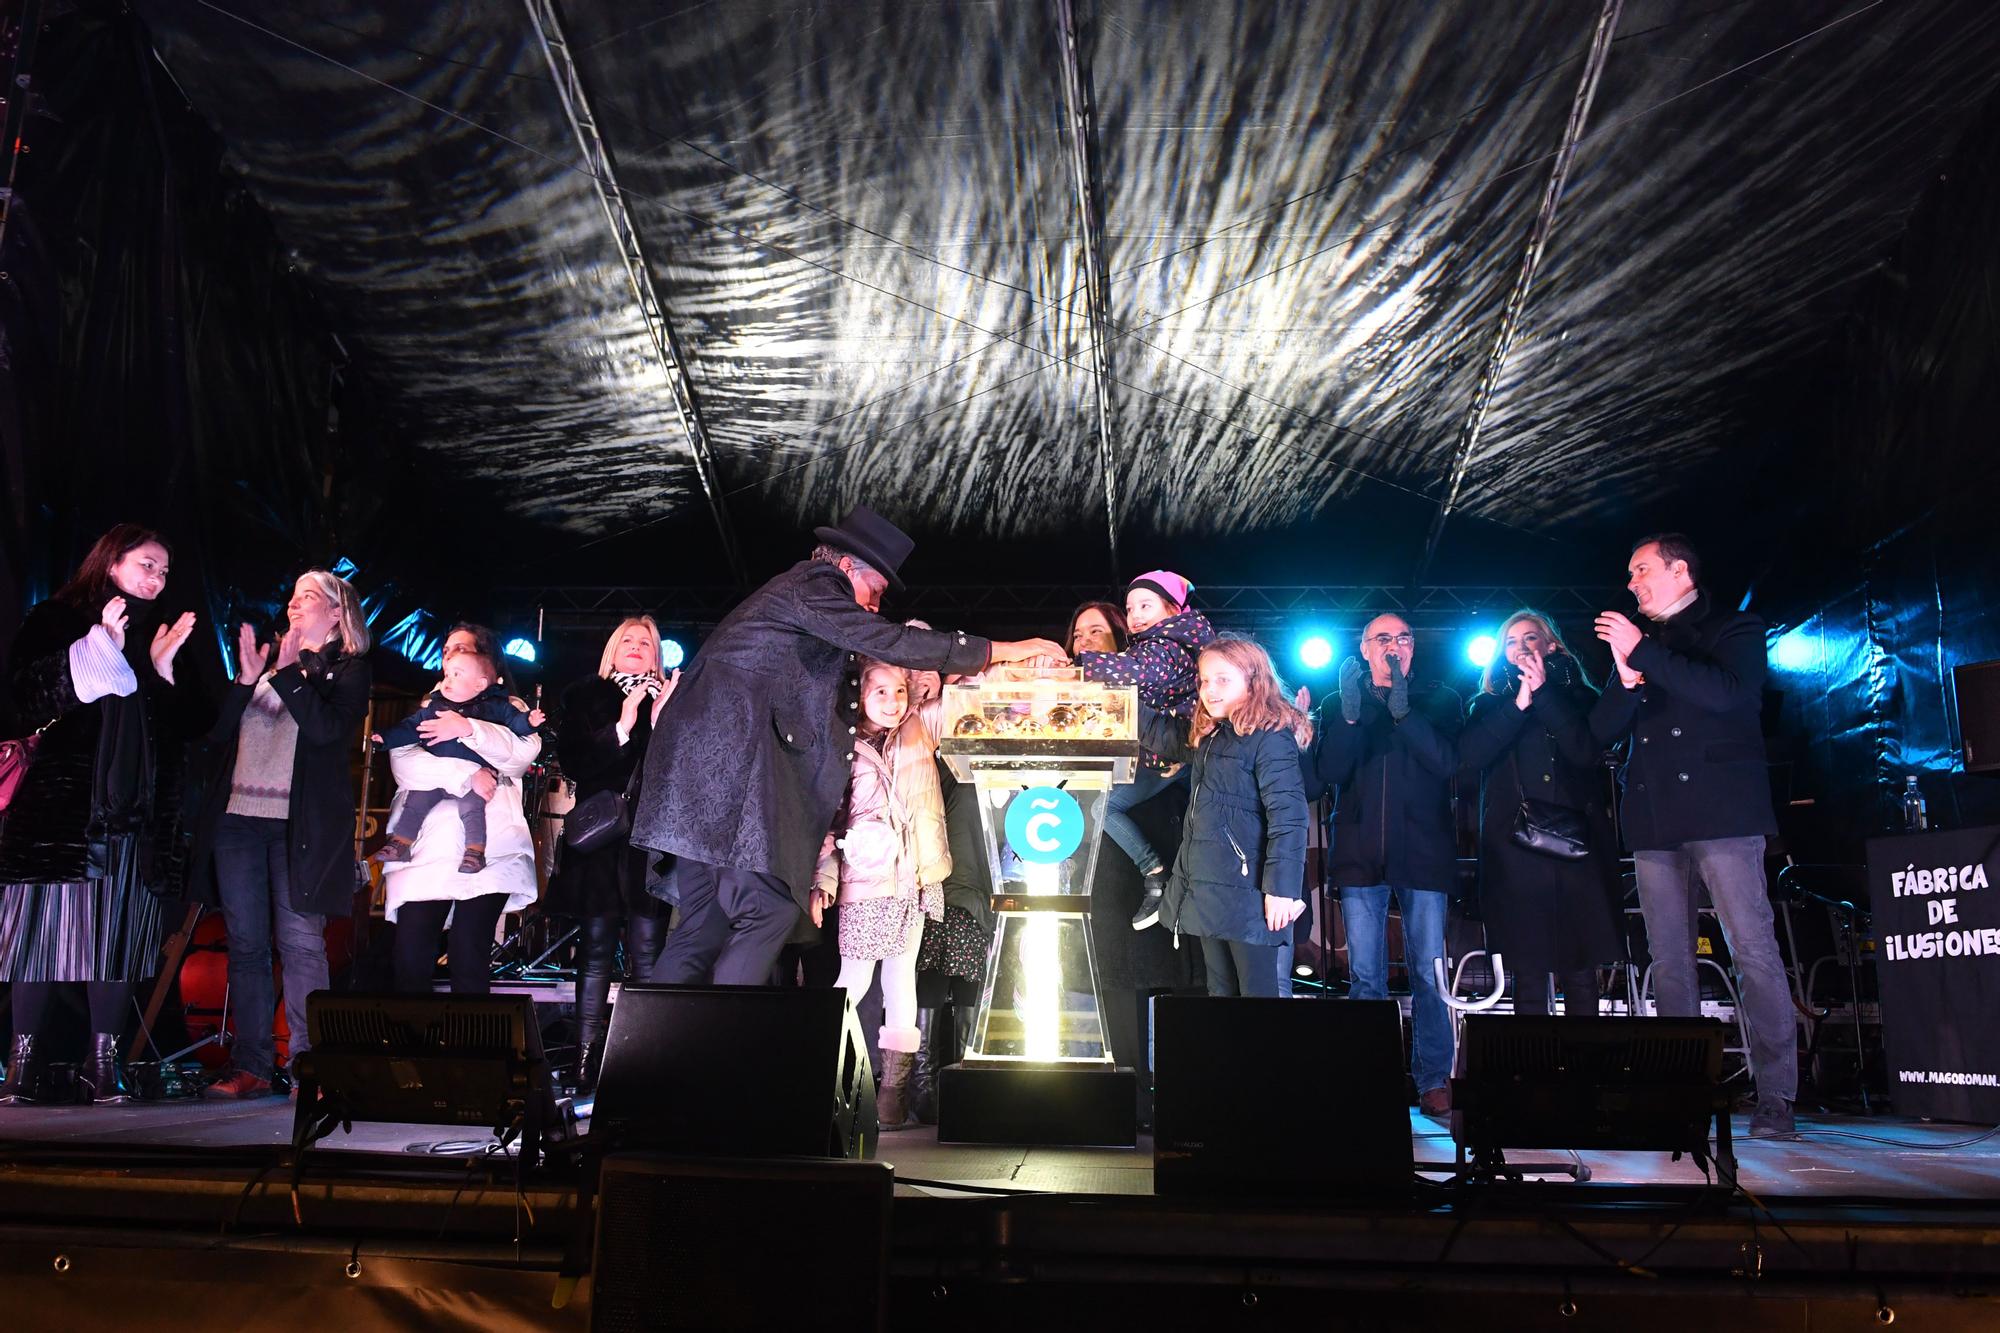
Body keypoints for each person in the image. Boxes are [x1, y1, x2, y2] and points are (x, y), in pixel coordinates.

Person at [632, 505, 1065, 989]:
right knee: (767, 912)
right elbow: (890, 640)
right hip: (724, 777)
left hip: (695, 783)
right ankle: (720, 1059)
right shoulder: (815, 585)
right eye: (875, 590)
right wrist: (1002, 649)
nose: (875, 606)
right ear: (845, 568)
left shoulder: (792, 607)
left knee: (702, 926)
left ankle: (656, 1063)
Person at [1591, 533, 1796, 1137]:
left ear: (1680, 570)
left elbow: (1729, 696)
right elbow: (1599, 730)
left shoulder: (1733, 628)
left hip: (1724, 815)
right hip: (1656, 820)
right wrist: (1627, 680)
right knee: (1670, 960)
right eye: (1630, 575)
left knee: (1751, 950)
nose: (1632, 584)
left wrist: (1644, 656)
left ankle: (1776, 1096)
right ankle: (1678, 1092)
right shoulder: (1640, 648)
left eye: (1642, 571)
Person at [0, 524, 198, 1105]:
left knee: (115, 939)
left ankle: (102, 1063)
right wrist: (96, 649)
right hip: (60, 815)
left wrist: (161, 670)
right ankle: (21, 1066)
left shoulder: (152, 632)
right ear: (111, 562)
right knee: (38, 939)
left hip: (131, 818)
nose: (157, 578)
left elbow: (186, 734)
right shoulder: (57, 619)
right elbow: (28, 696)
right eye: (146, 564)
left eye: (163, 570)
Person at [187, 569, 371, 1100]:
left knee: (300, 944)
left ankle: (308, 1067)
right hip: (239, 820)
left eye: (309, 597)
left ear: (338, 614)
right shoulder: (270, 665)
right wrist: (247, 681)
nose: (294, 605)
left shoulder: (347, 670)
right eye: (291, 596)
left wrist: (292, 672)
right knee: (245, 946)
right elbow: (217, 737)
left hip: (300, 827)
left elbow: (327, 731)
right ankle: (252, 1066)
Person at [1299, 613, 1462, 1117]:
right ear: (1364, 649)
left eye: (1404, 637)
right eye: (1383, 639)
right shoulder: (1340, 702)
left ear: (1414, 648)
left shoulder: (1441, 697)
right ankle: (1371, 1072)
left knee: (1429, 973)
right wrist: (1348, 717)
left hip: (1424, 851)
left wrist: (1405, 711)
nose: (1395, 646)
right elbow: (1327, 775)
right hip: (1359, 852)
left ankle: (1434, 1078)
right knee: (1365, 975)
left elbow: (1447, 763)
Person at [1457, 611, 1620, 1017]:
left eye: (1531, 638)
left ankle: (1584, 1069)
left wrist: (1545, 695)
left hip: (1575, 848)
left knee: (1580, 969)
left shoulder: (1582, 698)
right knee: (1526, 972)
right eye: (1511, 641)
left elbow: (1585, 752)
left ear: (1551, 646)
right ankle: (1531, 1069)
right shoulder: (1487, 705)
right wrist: (1518, 704)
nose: (1521, 647)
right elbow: (1471, 758)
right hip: (1514, 851)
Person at [810, 659, 948, 1127]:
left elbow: (963, 698)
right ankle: (826, 1079)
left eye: (899, 692)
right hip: (867, 880)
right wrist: (824, 879)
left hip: (912, 877)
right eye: (881, 693)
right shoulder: (842, 746)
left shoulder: (918, 729)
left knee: (900, 979)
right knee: (854, 979)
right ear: (861, 695)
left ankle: (893, 1096)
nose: (892, 702)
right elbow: (828, 821)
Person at [1135, 637, 1310, 996]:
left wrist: (1281, 890)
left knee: (1257, 996)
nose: (1209, 689)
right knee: (1221, 996)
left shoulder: (1271, 738)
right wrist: (1112, 699)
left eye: (1222, 679)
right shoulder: (1212, 735)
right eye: (1203, 680)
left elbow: (1289, 817)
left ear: (1253, 680)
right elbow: (1158, 732)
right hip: (1209, 890)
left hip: (1251, 897)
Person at [545, 616, 676, 1092]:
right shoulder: (585, 696)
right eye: (629, 641)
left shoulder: (672, 697)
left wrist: (660, 718)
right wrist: (621, 725)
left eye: (646, 642)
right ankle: (583, 1061)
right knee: (595, 952)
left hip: (650, 842)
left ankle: (643, 1065)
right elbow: (577, 762)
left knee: (648, 953)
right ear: (613, 650)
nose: (638, 647)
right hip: (599, 843)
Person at [379, 624, 543, 998]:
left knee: (468, 957)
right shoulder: (428, 706)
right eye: (447, 649)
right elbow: (403, 764)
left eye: (461, 649)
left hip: (489, 847)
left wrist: (467, 727)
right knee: (410, 959)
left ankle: (471, 1052)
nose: (450, 656)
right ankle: (413, 1052)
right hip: (427, 849)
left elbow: (520, 757)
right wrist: (467, 773)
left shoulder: (508, 708)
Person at [1072, 571, 1217, 930]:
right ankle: (1155, 874)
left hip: (1171, 755)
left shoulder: (1164, 647)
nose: (1135, 614)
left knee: (1103, 808)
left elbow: (1136, 672)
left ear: (1172, 608)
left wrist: (1077, 668)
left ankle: (1155, 872)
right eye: (1130, 607)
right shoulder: (1160, 643)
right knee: (1102, 807)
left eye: (1145, 605)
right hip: (1157, 757)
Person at [370, 646, 539, 874]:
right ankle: (401, 842)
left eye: (457, 674)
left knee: (472, 808)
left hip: (476, 780)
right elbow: (411, 728)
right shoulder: (435, 707)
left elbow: (515, 724)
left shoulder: (497, 707)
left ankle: (474, 852)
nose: (447, 680)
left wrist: (529, 721)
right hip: (438, 779)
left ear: (479, 684)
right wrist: (386, 738)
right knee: (416, 801)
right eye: (447, 673)